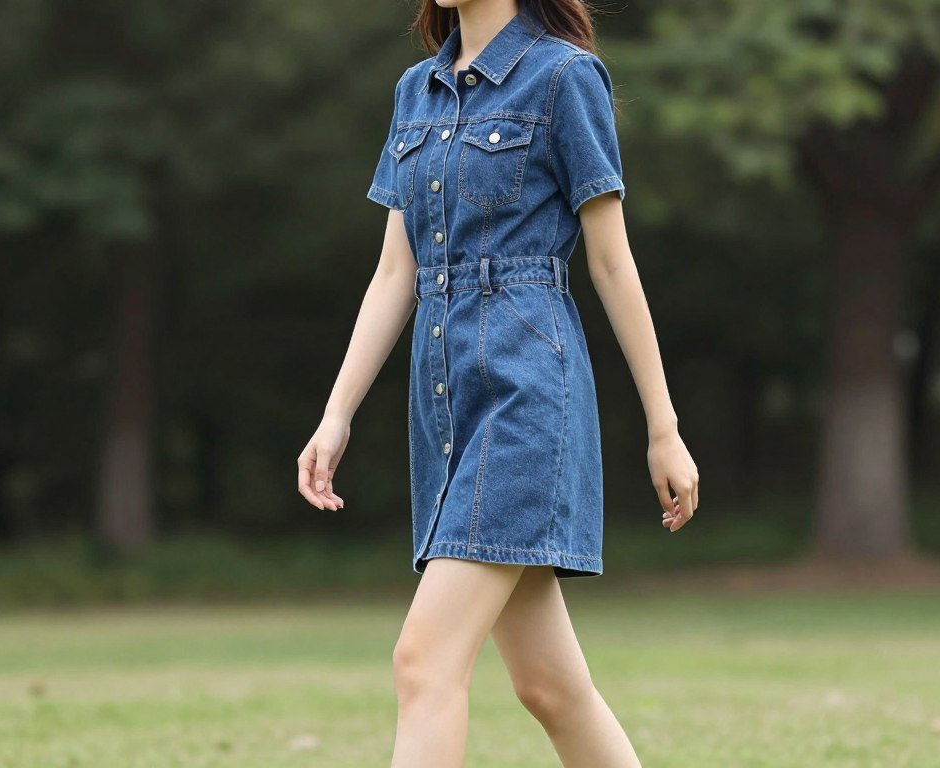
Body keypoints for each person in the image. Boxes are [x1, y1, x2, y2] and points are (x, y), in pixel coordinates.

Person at [298, 0, 699, 764]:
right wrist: (336, 413)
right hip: (444, 404)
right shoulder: (415, 91)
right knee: (551, 688)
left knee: (423, 662)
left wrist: (663, 427)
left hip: (527, 395)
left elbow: (611, 262)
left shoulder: (564, 77)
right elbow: (395, 273)